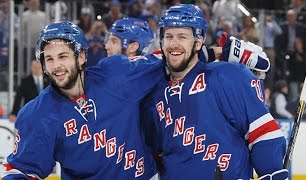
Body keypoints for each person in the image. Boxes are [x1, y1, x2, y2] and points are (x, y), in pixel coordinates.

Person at [141, 4, 288, 179]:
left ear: (198, 41)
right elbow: (154, 154)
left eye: (182, 37)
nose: (173, 44)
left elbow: (262, 132)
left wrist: (272, 172)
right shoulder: (154, 94)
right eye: (168, 36)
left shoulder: (227, 76)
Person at [2, 21, 163, 180]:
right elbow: (22, 171)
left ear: (81, 57)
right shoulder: (37, 114)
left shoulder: (115, 74)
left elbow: (169, 59)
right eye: (49, 59)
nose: (56, 65)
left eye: (63, 56)